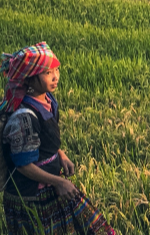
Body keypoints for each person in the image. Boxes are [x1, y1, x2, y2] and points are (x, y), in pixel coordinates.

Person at [1, 42, 115, 235]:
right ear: (28, 79)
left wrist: (60, 155)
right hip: (30, 196)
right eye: (47, 73)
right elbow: (23, 165)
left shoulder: (49, 101)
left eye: (57, 70)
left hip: (50, 183)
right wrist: (59, 182)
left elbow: (46, 139)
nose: (55, 77)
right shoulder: (24, 118)